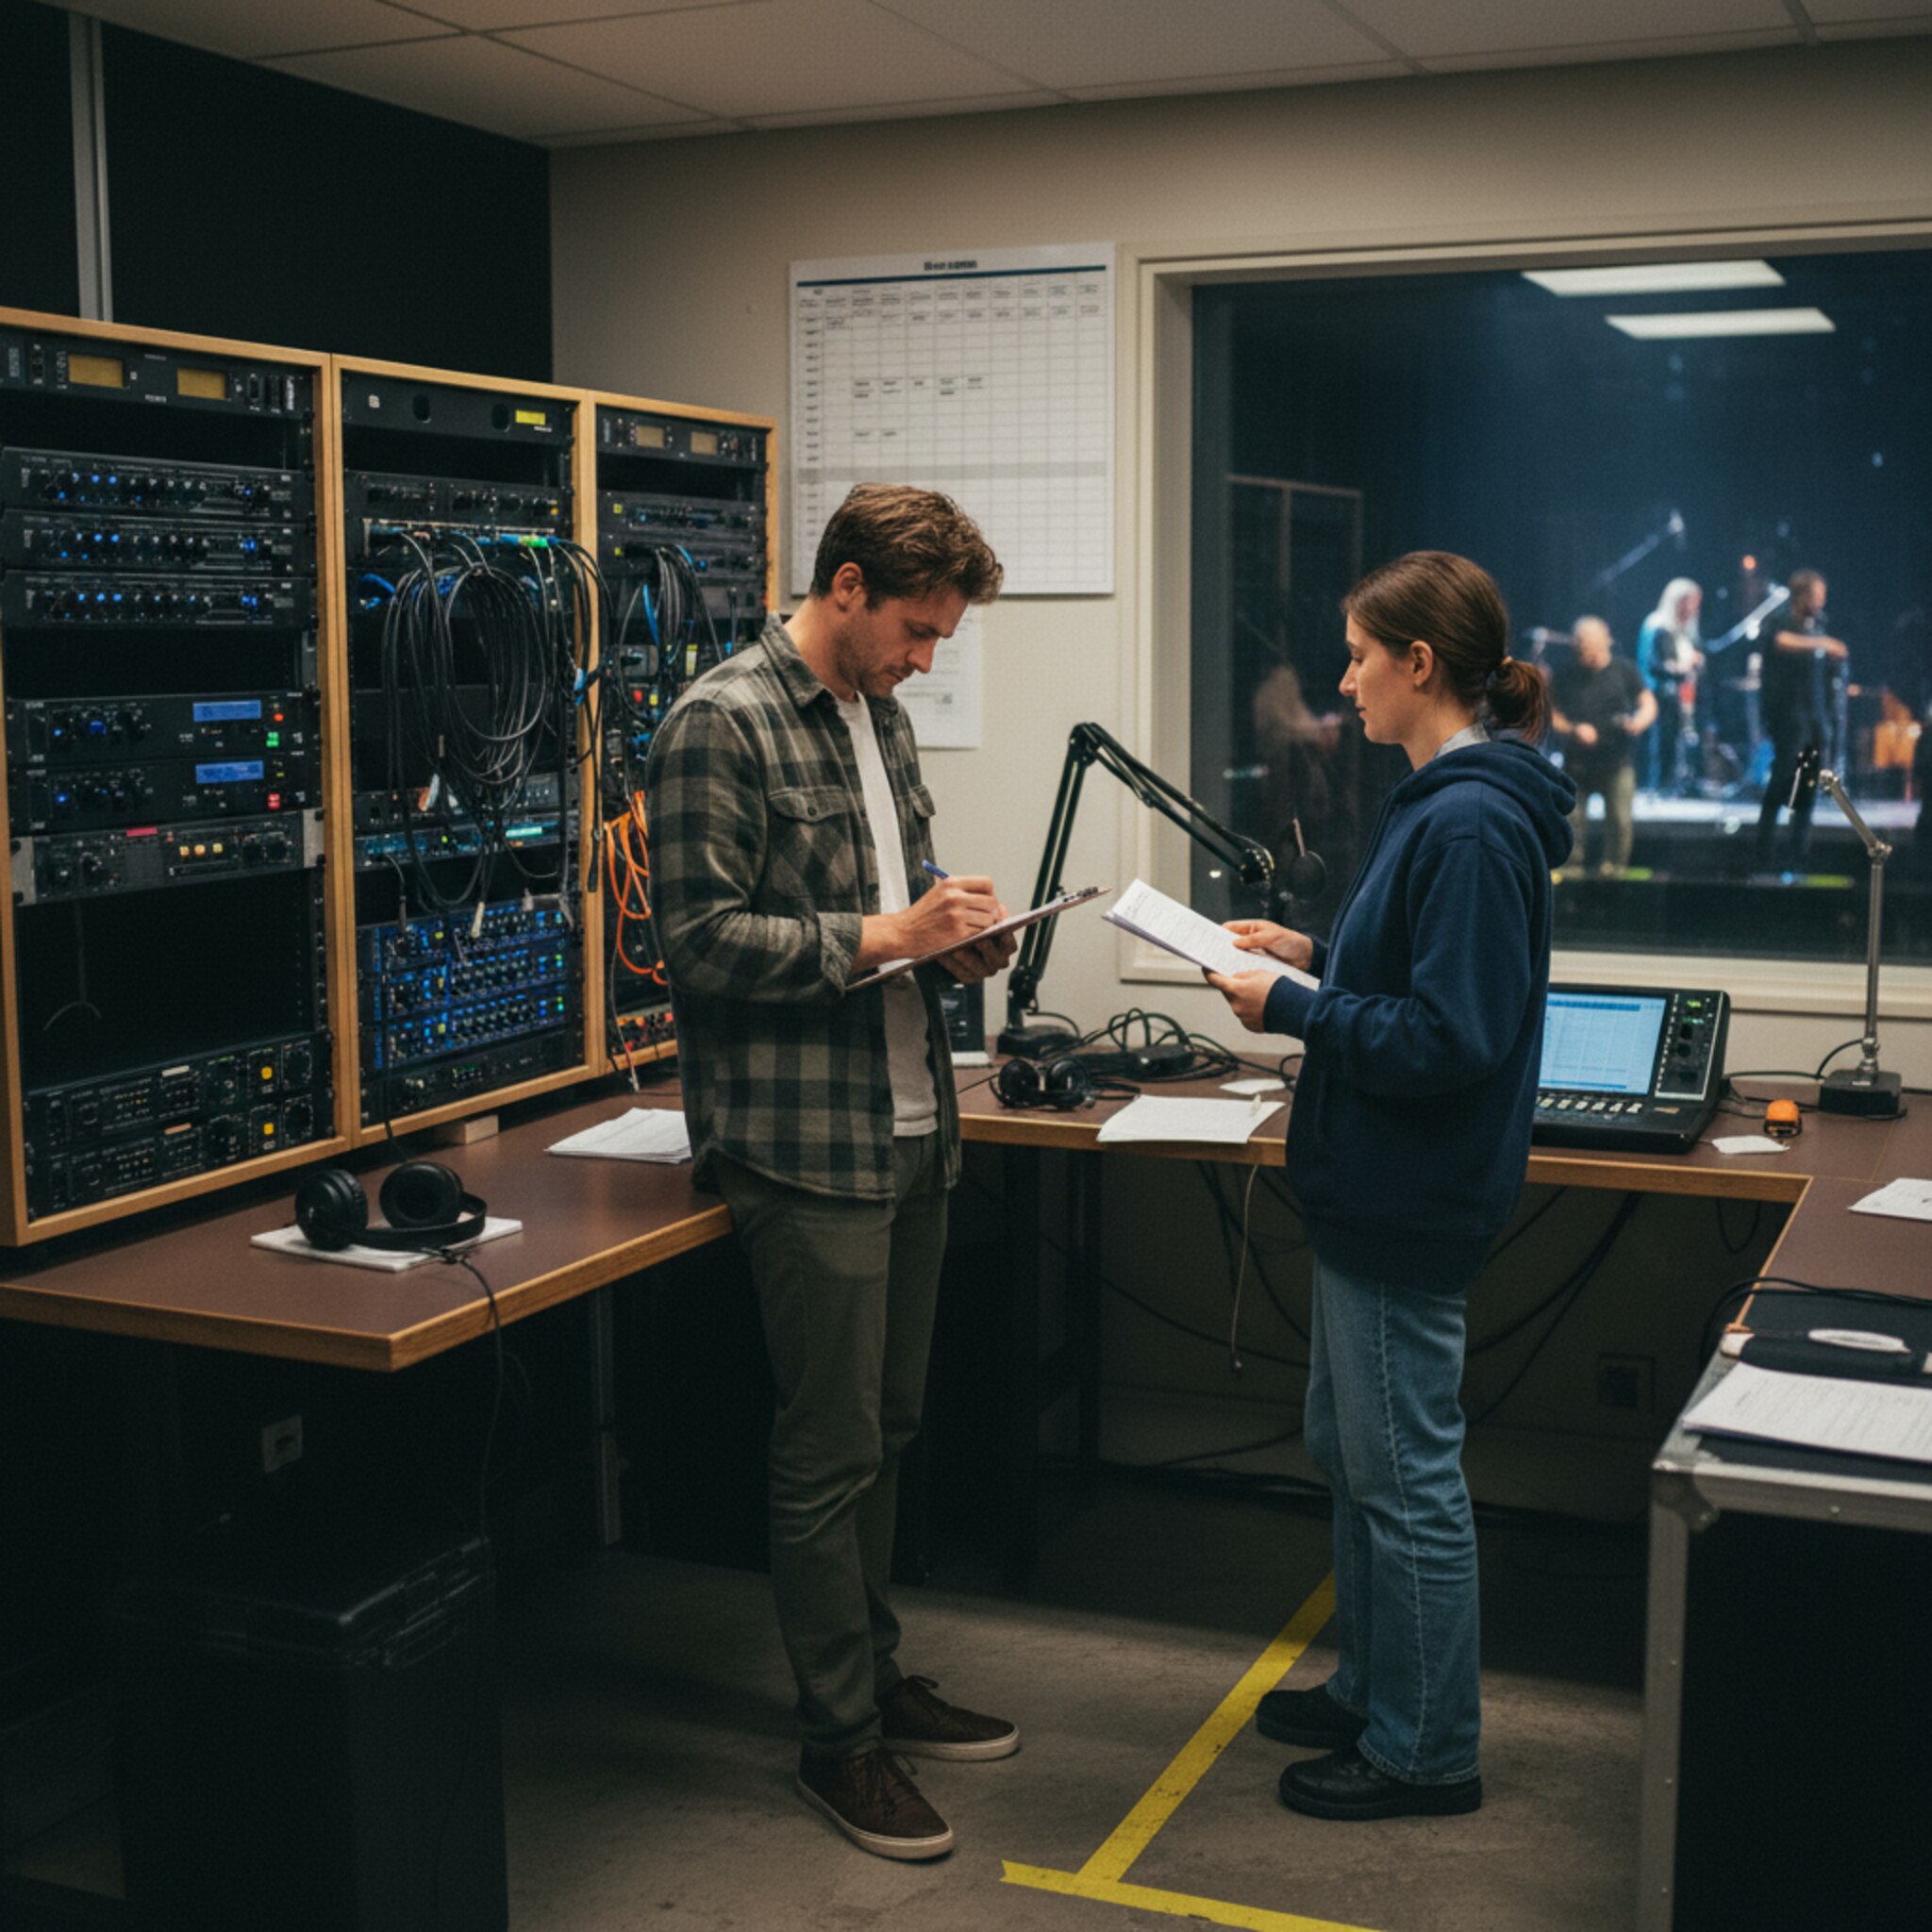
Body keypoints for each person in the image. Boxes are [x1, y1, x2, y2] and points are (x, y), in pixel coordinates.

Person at [646, 485, 1018, 1861]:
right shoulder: (717, 721)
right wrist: (881, 936)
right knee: (829, 1449)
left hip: (913, 1122)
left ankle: (872, 1672)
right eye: (916, 631)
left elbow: (892, 903)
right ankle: (838, 1739)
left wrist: (957, 937)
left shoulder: (882, 716)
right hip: (804, 1143)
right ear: (847, 587)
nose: (926, 660)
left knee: (896, 1427)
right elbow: (699, 941)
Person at [1202, 552, 1574, 1824]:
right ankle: (1373, 1686)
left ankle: (1425, 1751)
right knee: (1351, 1454)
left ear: (1420, 666)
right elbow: (1414, 975)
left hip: (1404, 1195)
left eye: (1360, 655)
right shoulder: (1441, 799)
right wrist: (1312, 954)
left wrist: (1296, 1006)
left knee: (1404, 1475)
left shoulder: (1467, 819)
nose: (1343, 678)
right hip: (1374, 1188)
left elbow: (1450, 1035)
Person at [1754, 569, 1847, 873]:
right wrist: (1823, 644)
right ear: (1803, 595)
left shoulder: (1819, 625)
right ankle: (1764, 851)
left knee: (1807, 785)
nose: (1821, 602)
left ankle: (1798, 853)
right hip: (1787, 713)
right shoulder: (1780, 619)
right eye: (1817, 596)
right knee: (1782, 777)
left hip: (1814, 716)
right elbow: (1780, 641)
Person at [1549, 615, 1656, 874]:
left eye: (1593, 647)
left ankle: (1614, 872)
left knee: (1619, 820)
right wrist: (1575, 730)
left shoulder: (1625, 670)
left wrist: (1639, 722)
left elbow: (1648, 703)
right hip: (1577, 764)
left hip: (1617, 760)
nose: (1589, 654)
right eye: (1583, 648)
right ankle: (1571, 873)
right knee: (1571, 822)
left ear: (1606, 642)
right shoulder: (1566, 676)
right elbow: (1551, 714)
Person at [1637, 577, 1704, 795]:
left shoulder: (1686, 632)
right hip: (1660, 695)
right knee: (1663, 742)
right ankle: (1659, 786)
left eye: (1695, 603)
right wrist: (1683, 668)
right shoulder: (1658, 626)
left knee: (1681, 741)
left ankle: (1681, 783)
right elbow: (1654, 665)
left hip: (1683, 697)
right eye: (1688, 602)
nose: (1692, 609)